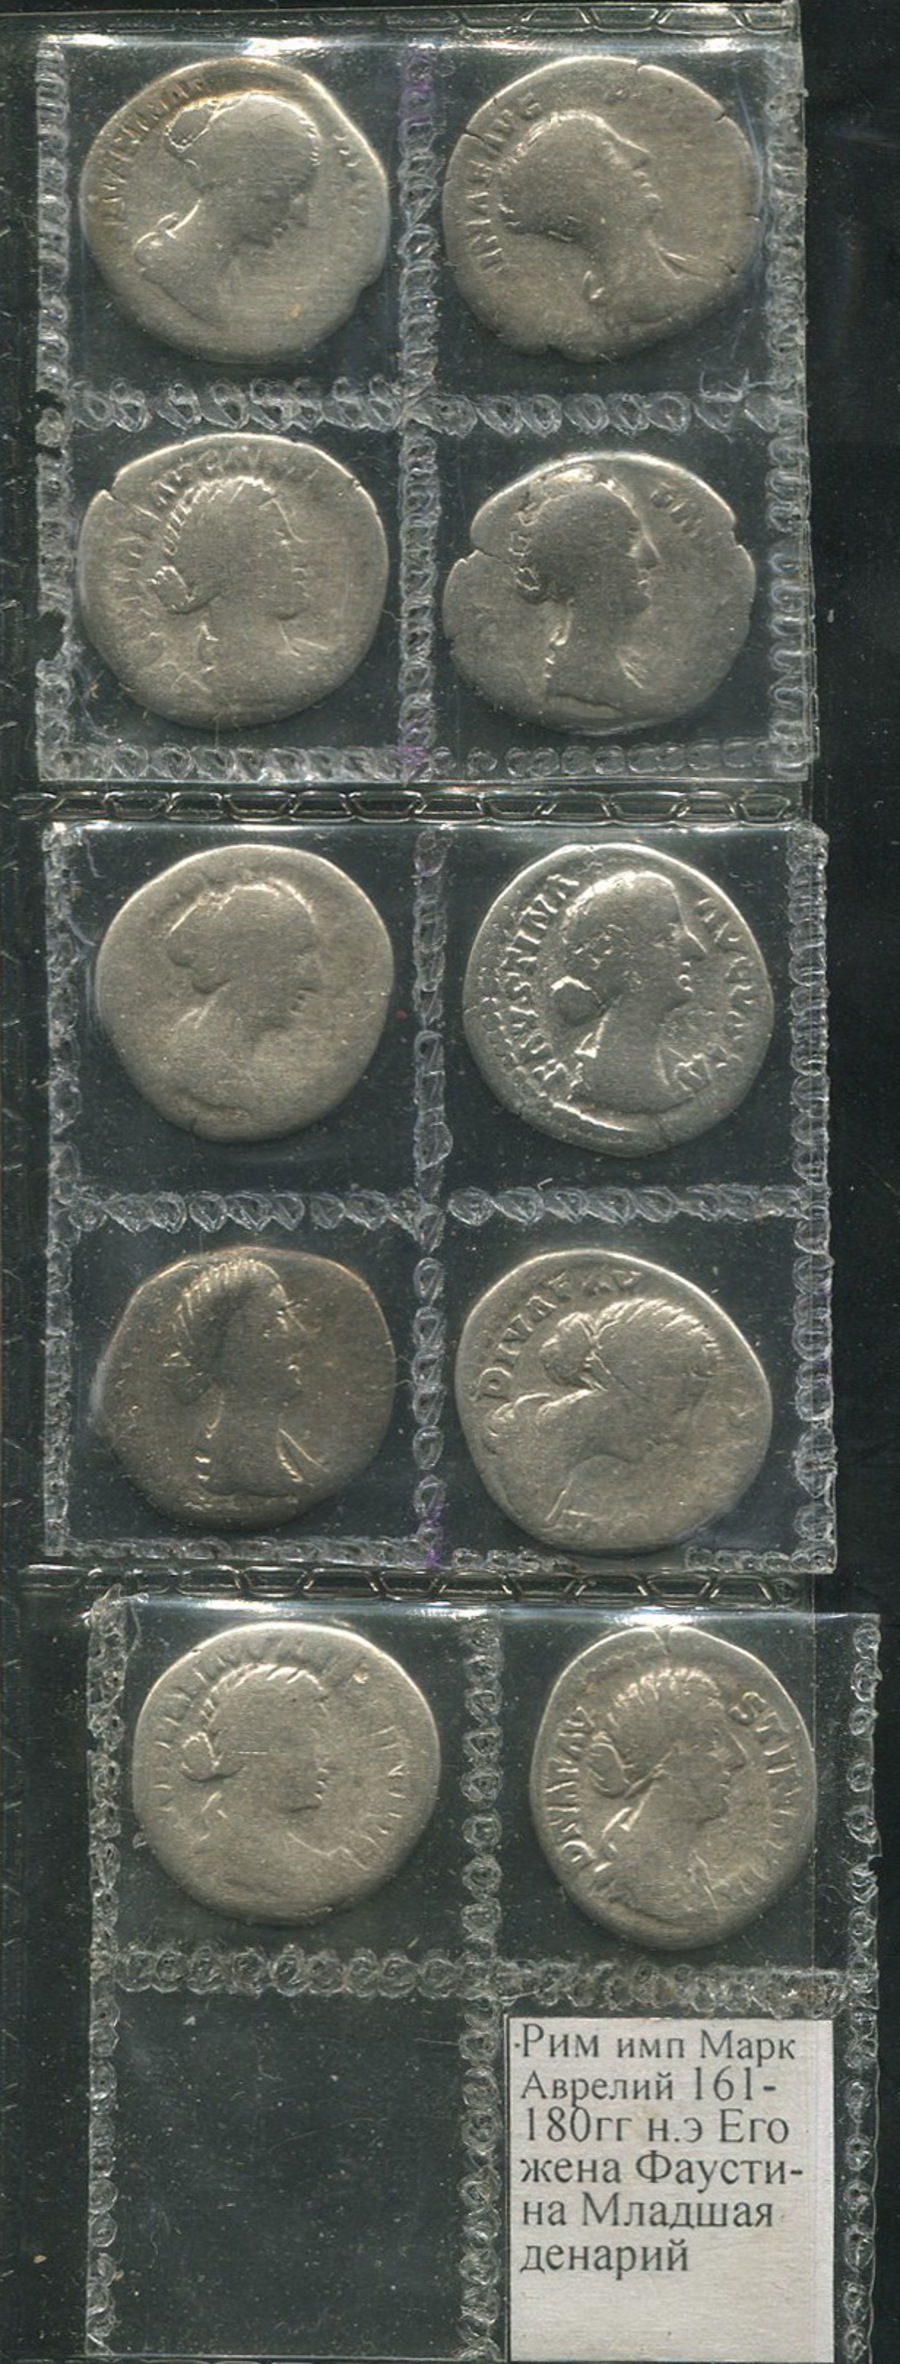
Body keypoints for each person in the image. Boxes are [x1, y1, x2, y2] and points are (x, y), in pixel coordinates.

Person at [486, 1294, 721, 1540]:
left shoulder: (570, 1472)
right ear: (618, 1387)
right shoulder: (526, 1467)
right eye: (677, 1410)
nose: (680, 1433)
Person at [496, 106, 710, 344]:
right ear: (581, 195)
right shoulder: (645, 305)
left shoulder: (690, 271)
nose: (640, 155)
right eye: (609, 152)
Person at [581, 1662, 747, 1929]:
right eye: (713, 1738)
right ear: (663, 1760)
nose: (738, 1757)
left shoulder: (686, 1871)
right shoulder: (649, 1880)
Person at [133, 91, 322, 326]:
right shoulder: (174, 275)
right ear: (239, 181)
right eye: (288, 189)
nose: (301, 215)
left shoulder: (225, 281)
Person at [150, 472, 324, 714]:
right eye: (280, 540)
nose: (298, 552)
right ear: (232, 568)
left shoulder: (309, 663)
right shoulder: (253, 683)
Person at [163, 872, 322, 1126]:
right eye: (299, 956)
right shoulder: (193, 1064)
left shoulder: (251, 1072)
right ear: (253, 961)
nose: (314, 979)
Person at [164, 1255, 326, 1502]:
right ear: (237, 1348)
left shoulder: (294, 1458)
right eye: (277, 1318)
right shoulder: (239, 1467)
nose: (300, 1335)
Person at [549, 867, 707, 1115]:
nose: (696, 950)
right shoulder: (608, 1075)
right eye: (668, 935)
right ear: (621, 955)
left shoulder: (673, 1066)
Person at [177, 1657, 334, 1905]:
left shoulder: (315, 1866)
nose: (327, 1760)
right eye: (309, 1742)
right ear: (258, 1750)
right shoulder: (222, 1865)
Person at [511, 468, 660, 714]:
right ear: (591, 560)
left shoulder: (608, 674)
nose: (651, 558)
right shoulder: (587, 681)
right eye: (629, 539)